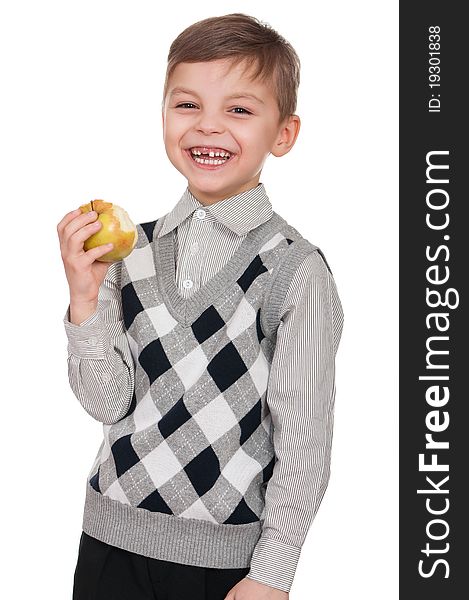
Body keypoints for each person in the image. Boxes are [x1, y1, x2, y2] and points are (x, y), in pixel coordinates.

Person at [57, 12, 344, 600]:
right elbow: (108, 403)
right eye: (187, 105)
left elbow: (305, 437)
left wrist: (273, 570)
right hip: (108, 542)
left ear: (284, 134)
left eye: (239, 110)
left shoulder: (296, 270)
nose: (207, 127)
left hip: (223, 565)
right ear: (163, 115)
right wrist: (84, 299)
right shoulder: (127, 250)